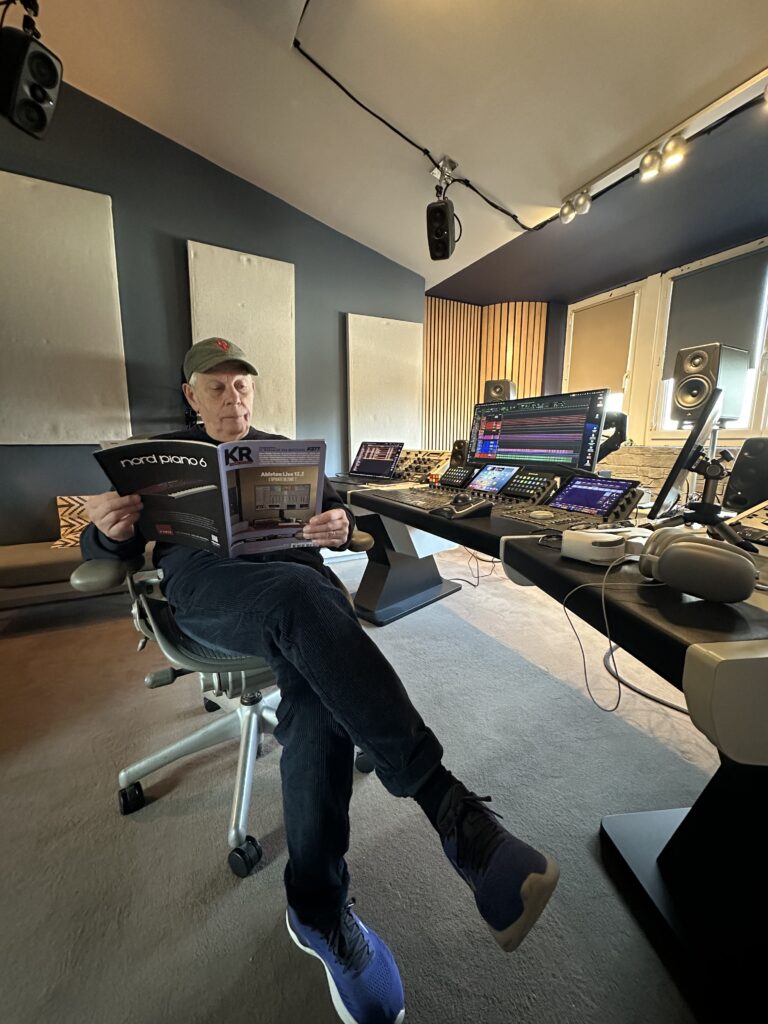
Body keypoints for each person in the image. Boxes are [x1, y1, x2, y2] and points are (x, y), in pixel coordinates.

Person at [82, 337, 559, 1024]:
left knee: (314, 681)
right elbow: (106, 547)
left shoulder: (283, 453)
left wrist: (341, 529)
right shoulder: (159, 459)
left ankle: (318, 908)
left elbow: (343, 526)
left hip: (298, 584)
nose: (232, 398)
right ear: (191, 396)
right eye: (215, 387)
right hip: (210, 590)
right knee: (306, 606)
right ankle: (449, 809)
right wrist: (106, 530)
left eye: (242, 385)